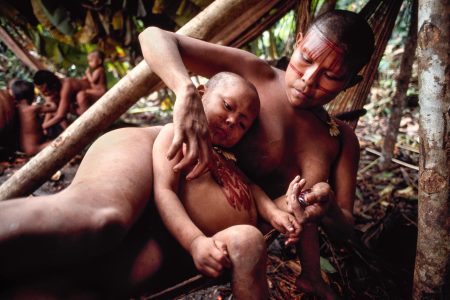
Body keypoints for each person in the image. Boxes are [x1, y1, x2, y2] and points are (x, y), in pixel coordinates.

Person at [0, 9, 374, 299]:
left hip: (193, 227)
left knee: (92, 284)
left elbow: (346, 227)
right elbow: (156, 37)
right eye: (306, 59)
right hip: (155, 156)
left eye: (331, 76)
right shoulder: (255, 72)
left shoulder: (337, 139)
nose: (309, 80)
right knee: (99, 220)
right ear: (297, 41)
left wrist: (322, 207)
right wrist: (183, 92)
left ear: (353, 81)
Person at [154, 71, 303, 299]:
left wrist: (273, 213)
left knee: (303, 202)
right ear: (201, 94)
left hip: (237, 242)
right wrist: (195, 242)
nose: (232, 121)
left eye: (242, 124)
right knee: (248, 240)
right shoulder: (178, 135)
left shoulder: (228, 156)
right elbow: (164, 192)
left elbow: (251, 188)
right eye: (227, 106)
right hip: (204, 245)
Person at [76, 50, 107, 115]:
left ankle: (84, 111)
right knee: (85, 92)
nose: (89, 63)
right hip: (96, 90)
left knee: (85, 92)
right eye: (89, 61)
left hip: (100, 91)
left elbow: (92, 80)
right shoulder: (96, 71)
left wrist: (88, 74)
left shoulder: (99, 70)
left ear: (99, 61)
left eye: (91, 61)